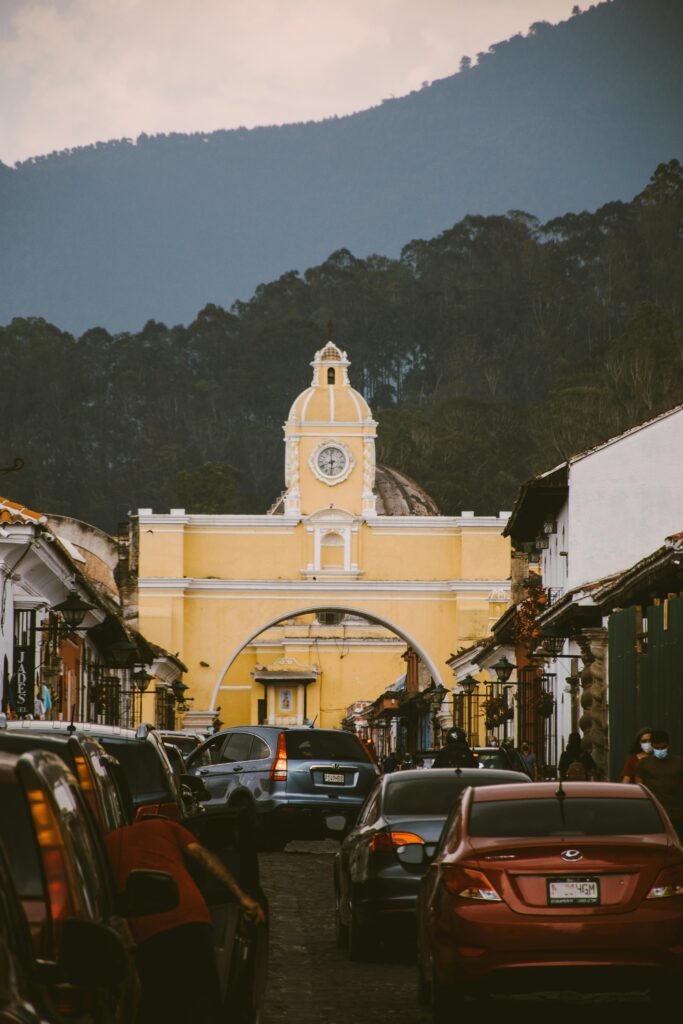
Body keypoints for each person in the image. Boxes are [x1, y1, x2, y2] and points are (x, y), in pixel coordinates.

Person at [106, 816, 265, 1024]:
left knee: (159, 1010)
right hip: (191, 918)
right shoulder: (165, 826)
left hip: (147, 932)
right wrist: (242, 896)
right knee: (204, 1007)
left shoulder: (105, 844)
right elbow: (202, 856)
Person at [635, 729, 683, 836]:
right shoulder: (643, 764)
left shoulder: (679, 763)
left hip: (675, 812)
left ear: (668, 745)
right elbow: (639, 787)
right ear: (652, 745)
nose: (660, 750)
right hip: (652, 812)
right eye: (657, 748)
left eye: (663, 747)